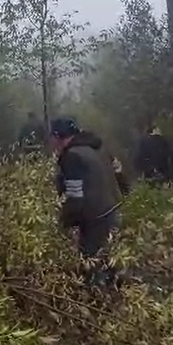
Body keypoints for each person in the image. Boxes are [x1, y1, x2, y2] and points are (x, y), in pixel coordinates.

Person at [50, 117, 121, 272]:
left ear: (57, 137)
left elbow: (75, 196)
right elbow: (120, 177)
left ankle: (96, 293)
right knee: (110, 264)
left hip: (94, 220)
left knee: (92, 268)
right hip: (112, 212)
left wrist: (63, 224)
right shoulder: (96, 149)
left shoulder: (72, 157)